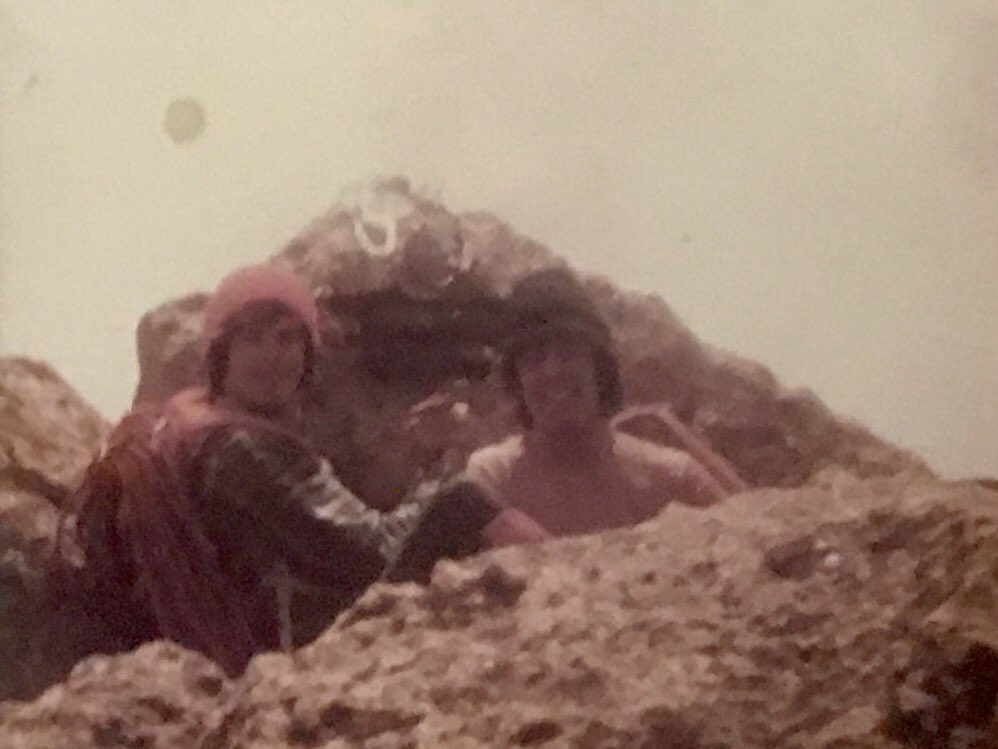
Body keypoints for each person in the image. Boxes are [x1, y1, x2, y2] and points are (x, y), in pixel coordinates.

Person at [65, 264, 417, 676]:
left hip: (184, 659)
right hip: (255, 671)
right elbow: (375, 551)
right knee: (467, 502)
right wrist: (448, 468)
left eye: (287, 338)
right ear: (220, 353)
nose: (271, 356)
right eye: (250, 338)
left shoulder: (184, 413)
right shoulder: (240, 448)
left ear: (307, 353)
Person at [466, 269, 731, 544]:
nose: (554, 370)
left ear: (599, 366)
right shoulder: (493, 481)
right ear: (516, 380)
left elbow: (757, 545)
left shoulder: (673, 480)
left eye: (568, 352)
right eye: (534, 358)